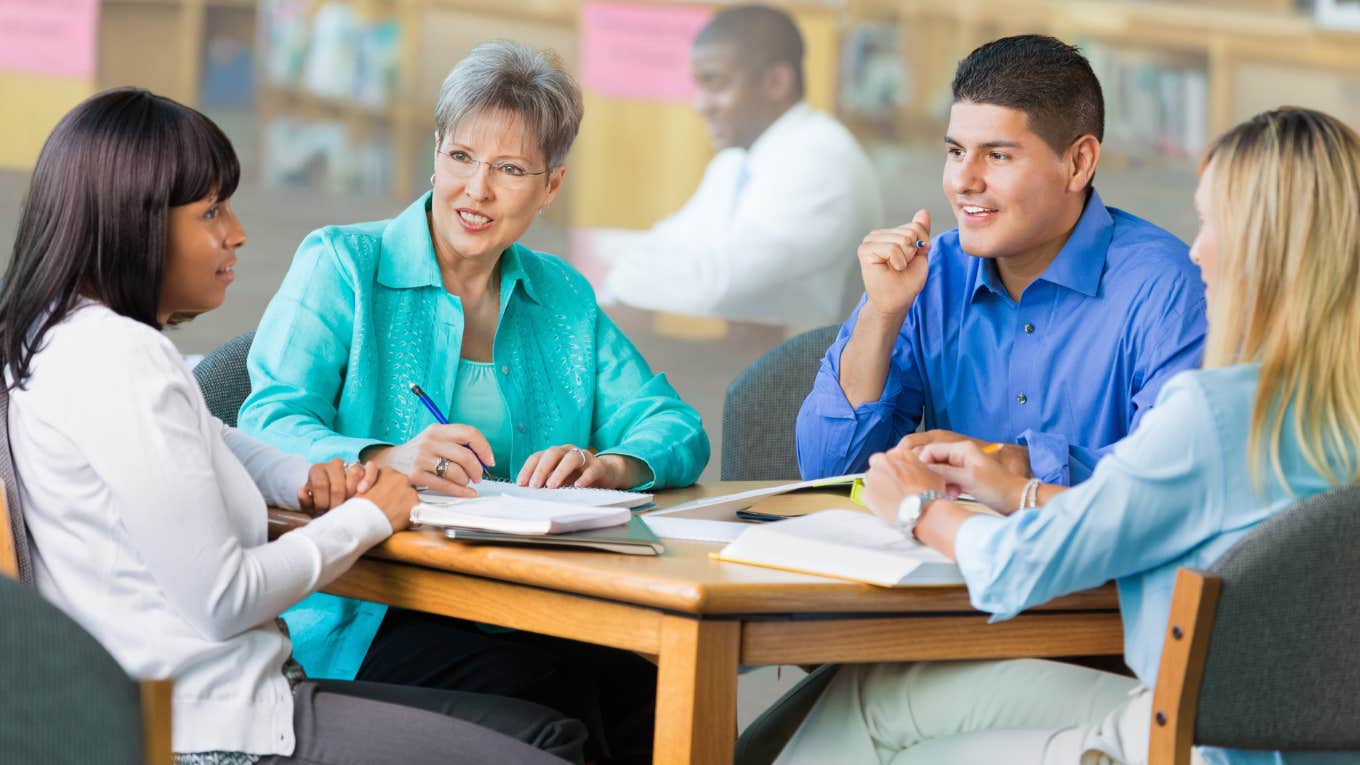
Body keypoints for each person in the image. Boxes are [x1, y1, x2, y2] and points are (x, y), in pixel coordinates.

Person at [0, 87, 586, 765]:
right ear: (135, 224)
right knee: (550, 744)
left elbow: (212, 438)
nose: (237, 232)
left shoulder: (53, 341)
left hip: (171, 709)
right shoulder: (128, 361)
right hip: (220, 728)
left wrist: (304, 474)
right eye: (211, 211)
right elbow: (224, 598)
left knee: (546, 722)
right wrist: (371, 512)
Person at [775, 106, 1360, 764]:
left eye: (1211, 222)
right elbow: (1155, 508)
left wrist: (919, 507)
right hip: (1251, 735)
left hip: (1191, 741)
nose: (1196, 248)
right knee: (875, 694)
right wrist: (1018, 488)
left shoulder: (1218, 413)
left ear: (1269, 249)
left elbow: (1020, 566)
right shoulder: (1323, 413)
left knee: (896, 743)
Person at [238, 41, 707, 764]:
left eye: (510, 169)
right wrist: (384, 457)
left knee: (650, 692)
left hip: (521, 608)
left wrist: (608, 465)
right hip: (365, 614)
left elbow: (673, 424)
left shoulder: (563, 297)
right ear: (435, 152)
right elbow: (265, 422)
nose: (476, 191)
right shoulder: (342, 265)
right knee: (560, 696)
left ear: (550, 186)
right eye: (461, 157)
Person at [797, 35, 1206, 485]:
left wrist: (1009, 464)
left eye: (997, 155)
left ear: (1078, 162)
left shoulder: (1168, 290)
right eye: (955, 152)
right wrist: (882, 314)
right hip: (935, 548)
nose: (963, 181)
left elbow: (1174, 480)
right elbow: (827, 471)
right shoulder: (929, 274)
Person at [599, 4, 883, 327]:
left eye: (716, 83)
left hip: (804, 372)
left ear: (776, 82)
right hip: (748, 358)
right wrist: (634, 265)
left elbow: (714, 286)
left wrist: (624, 268)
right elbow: (671, 240)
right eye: (699, 85)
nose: (700, 105)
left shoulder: (823, 162)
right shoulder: (737, 161)